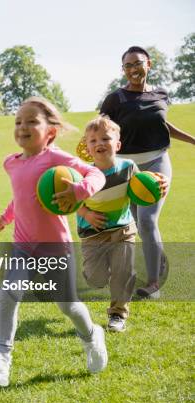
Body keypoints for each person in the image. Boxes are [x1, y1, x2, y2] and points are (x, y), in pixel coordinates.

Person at [0, 97, 108, 387]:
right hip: (22, 245)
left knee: (67, 305)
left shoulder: (56, 159)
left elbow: (96, 173)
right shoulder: (11, 163)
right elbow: (21, 198)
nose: (23, 127)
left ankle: (91, 335)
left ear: (51, 132)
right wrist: (6, 217)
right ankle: (1, 358)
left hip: (55, 247)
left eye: (32, 121)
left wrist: (81, 191)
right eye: (18, 121)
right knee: (9, 293)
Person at [99, 45, 195, 299]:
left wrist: (193, 140)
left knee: (148, 220)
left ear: (148, 64)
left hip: (156, 162)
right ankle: (159, 264)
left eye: (137, 63)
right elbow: (101, 127)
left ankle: (154, 284)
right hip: (126, 169)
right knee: (139, 225)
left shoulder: (162, 93)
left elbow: (162, 123)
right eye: (127, 66)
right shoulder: (115, 99)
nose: (132, 69)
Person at [77, 116, 168, 332]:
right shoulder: (83, 173)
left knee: (123, 274)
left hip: (123, 229)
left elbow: (141, 188)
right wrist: (87, 213)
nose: (99, 143)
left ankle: (117, 314)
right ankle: (93, 274)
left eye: (105, 138)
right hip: (93, 233)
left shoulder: (128, 167)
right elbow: (72, 201)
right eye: (93, 140)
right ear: (87, 148)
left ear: (117, 145)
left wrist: (158, 183)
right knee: (97, 280)